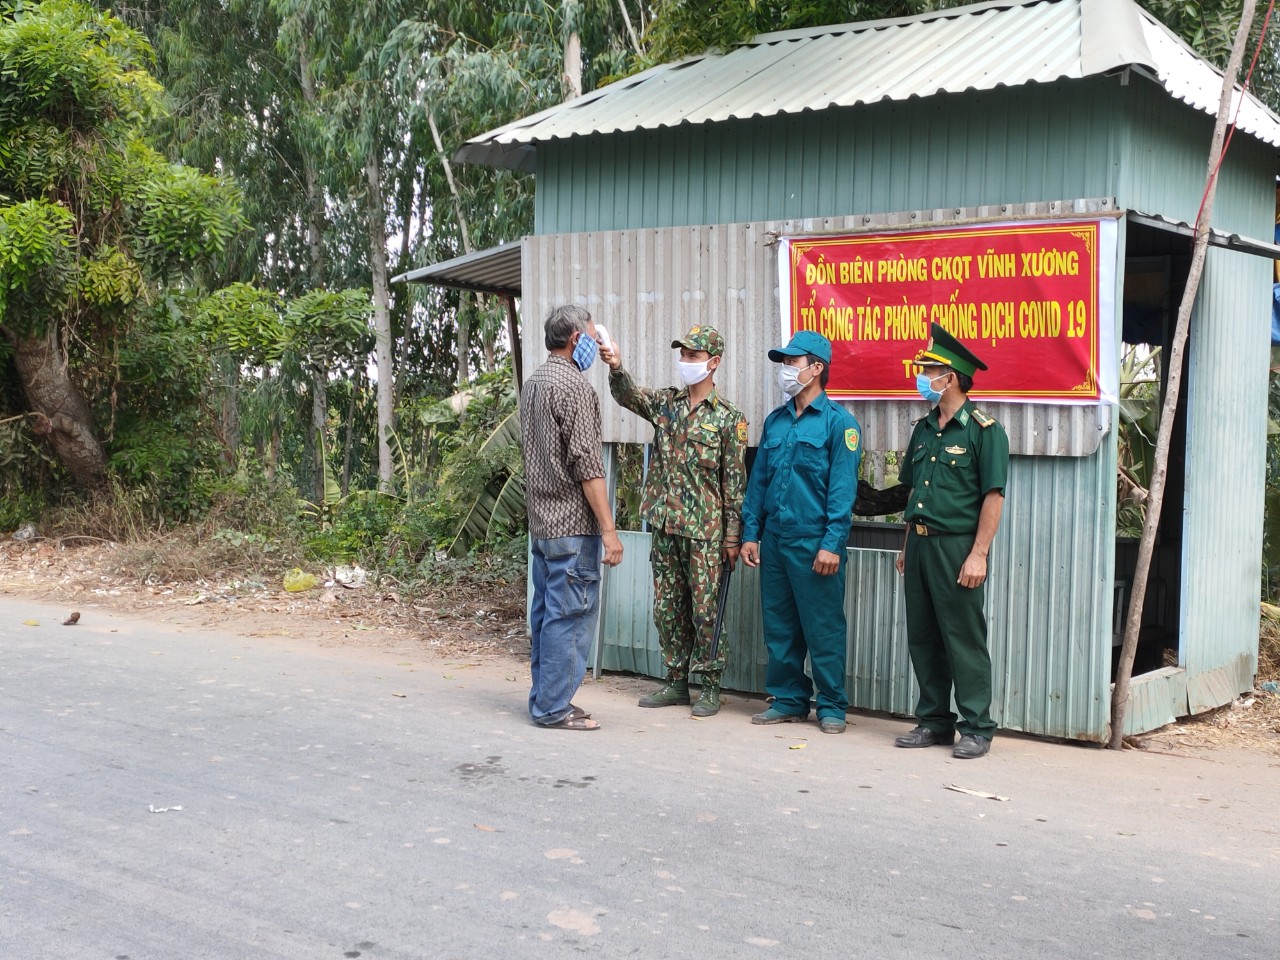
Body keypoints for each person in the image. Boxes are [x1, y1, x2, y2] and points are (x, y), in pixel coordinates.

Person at [600, 324, 747, 717]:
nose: (685, 361)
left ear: (713, 363)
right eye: (682, 355)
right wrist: (615, 366)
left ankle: (711, 686)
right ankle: (676, 682)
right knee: (668, 608)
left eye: (693, 356)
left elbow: (734, 484)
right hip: (665, 525)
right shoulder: (667, 404)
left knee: (706, 612)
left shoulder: (730, 419)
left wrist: (732, 538)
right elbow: (629, 395)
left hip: (705, 534)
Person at [893, 322, 1009, 759]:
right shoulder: (924, 429)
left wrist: (979, 554)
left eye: (930, 370)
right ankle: (934, 722)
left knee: (962, 636)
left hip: (957, 547)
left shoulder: (984, 431)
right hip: (920, 546)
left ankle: (977, 727)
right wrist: (906, 548)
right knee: (923, 636)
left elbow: (992, 497)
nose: (922, 377)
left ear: (953, 378)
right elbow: (913, 494)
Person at [740, 330, 861, 734]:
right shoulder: (775, 422)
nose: (786, 369)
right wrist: (750, 533)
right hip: (774, 539)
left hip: (814, 543)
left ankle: (831, 705)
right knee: (779, 625)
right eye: (785, 362)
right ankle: (789, 699)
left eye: (792, 362)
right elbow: (758, 482)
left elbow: (843, 491)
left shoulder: (839, 423)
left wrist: (832, 544)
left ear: (816, 369)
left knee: (822, 626)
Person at [520, 304, 624, 731]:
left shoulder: (534, 383)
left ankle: (546, 698)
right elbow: (588, 466)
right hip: (573, 527)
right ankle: (553, 709)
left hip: (542, 525)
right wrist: (610, 530)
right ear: (578, 340)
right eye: (592, 335)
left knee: (547, 616)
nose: (596, 343)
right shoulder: (577, 389)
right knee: (571, 618)